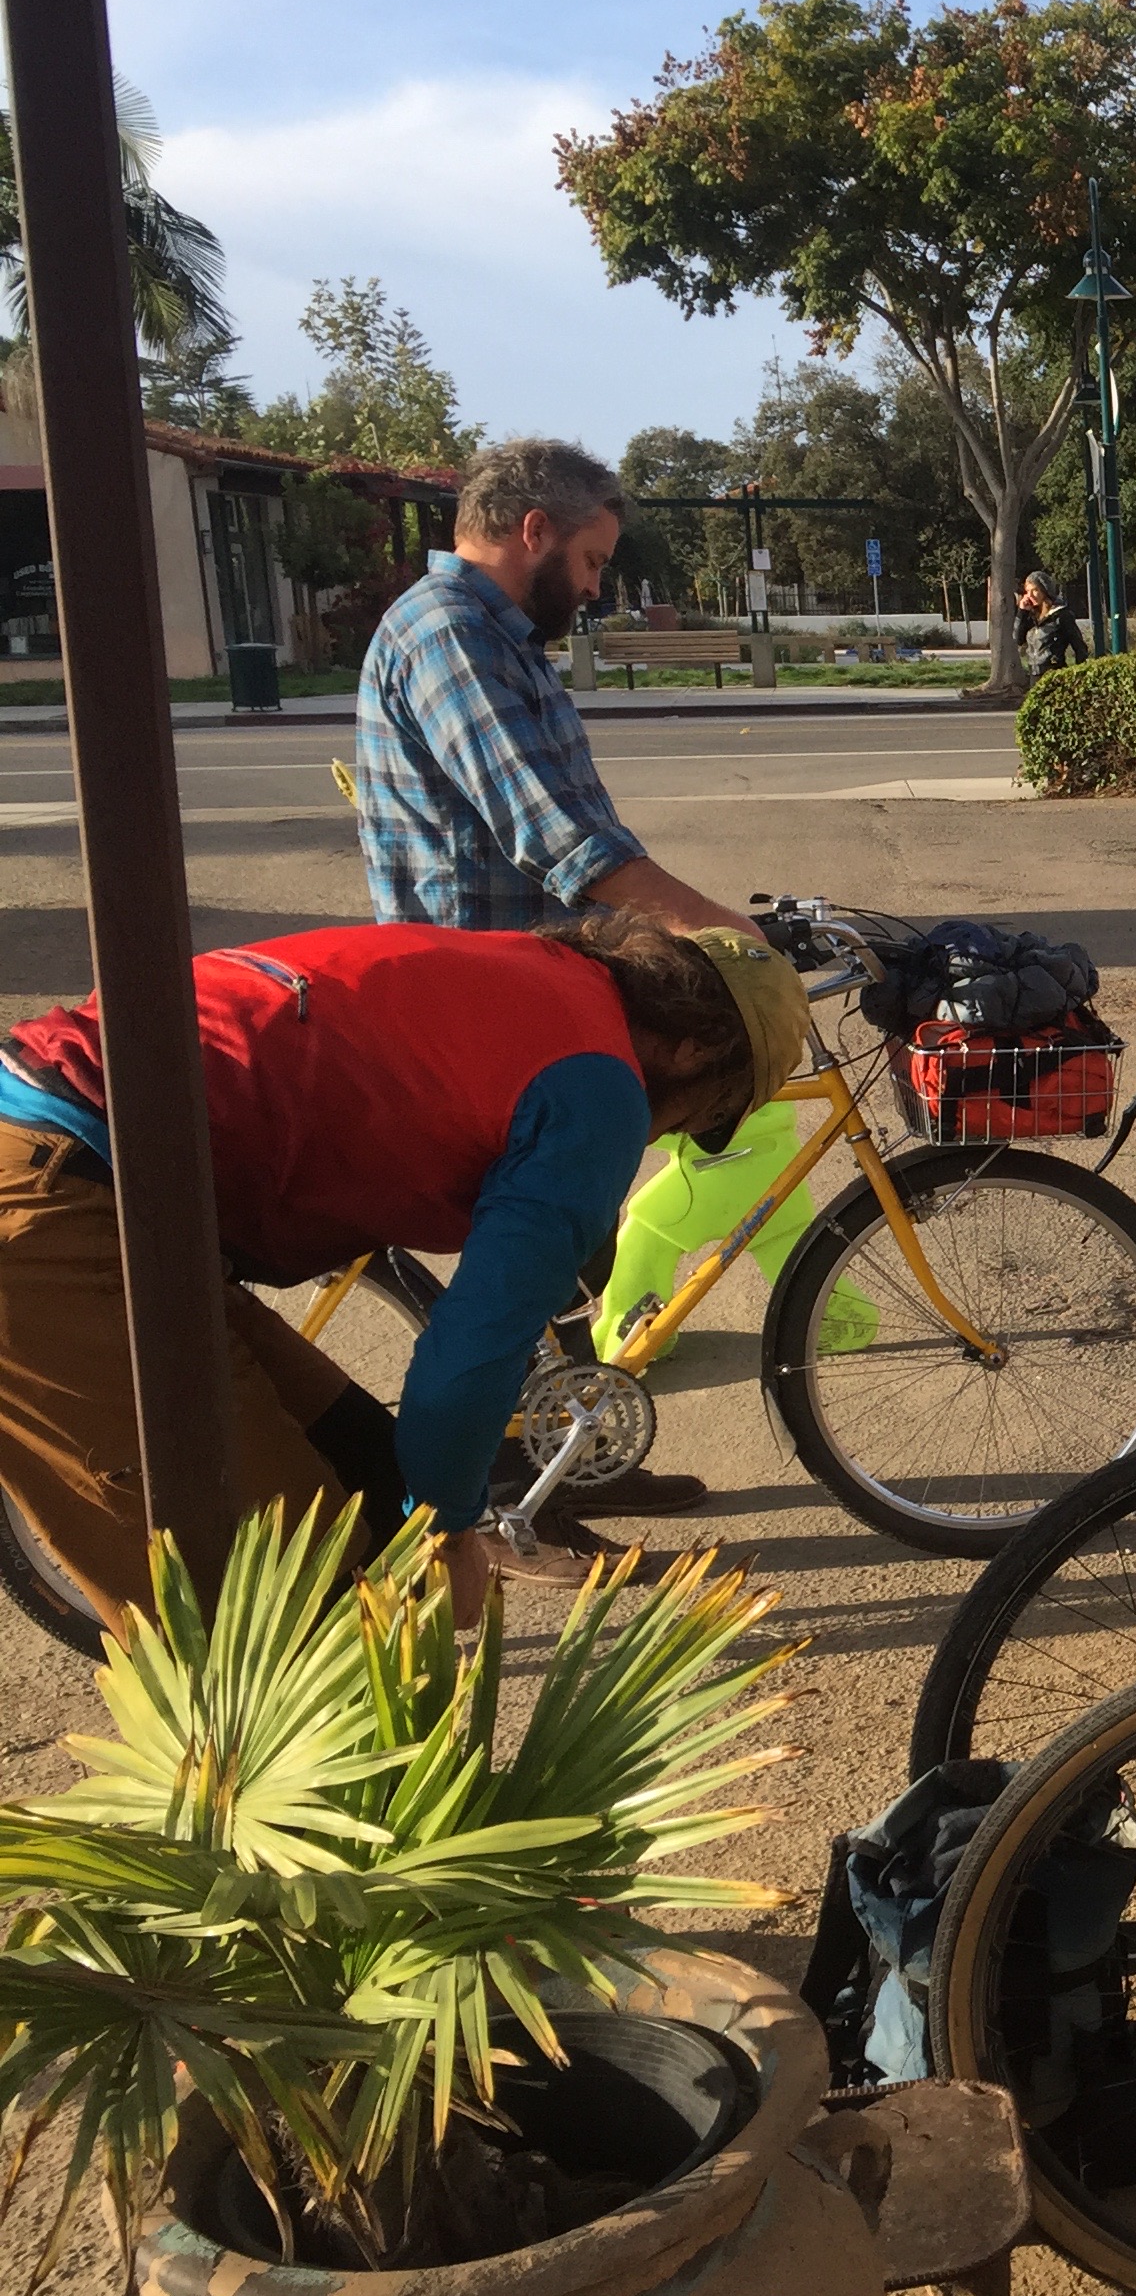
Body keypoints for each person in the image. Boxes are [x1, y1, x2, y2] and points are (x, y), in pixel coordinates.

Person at [0, 914, 810, 1633]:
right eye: (707, 1113)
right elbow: (472, 1352)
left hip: (107, 1179)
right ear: (692, 1050)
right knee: (311, 1605)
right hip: (54, 1200)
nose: (672, 1136)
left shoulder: (549, 974)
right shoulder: (599, 1087)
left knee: (374, 1483)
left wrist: (432, 1513)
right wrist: (452, 1529)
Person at [353, 438, 811, 1551]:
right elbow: (559, 837)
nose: (599, 588)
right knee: (534, 1244)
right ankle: (507, 1514)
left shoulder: (496, 636)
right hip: (477, 1003)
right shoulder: (450, 633)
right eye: (596, 561)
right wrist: (725, 936)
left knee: (580, 1233)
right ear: (533, 534)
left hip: (532, 984)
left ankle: (568, 1461)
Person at [1017, 571, 1088, 672]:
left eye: (1035, 590)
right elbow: (1018, 639)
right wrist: (1022, 612)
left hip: (1054, 673)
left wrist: (1079, 674)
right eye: (1028, 591)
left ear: (1045, 591)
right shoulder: (1031, 616)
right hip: (1033, 674)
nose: (1031, 595)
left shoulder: (1062, 615)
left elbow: (1079, 647)